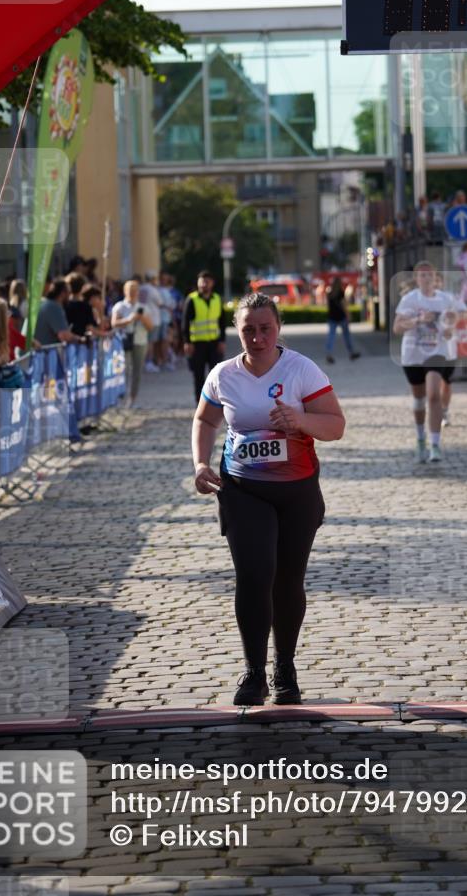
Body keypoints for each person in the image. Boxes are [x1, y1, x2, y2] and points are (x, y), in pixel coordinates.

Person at [192, 292, 345, 706]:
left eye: (265, 329)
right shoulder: (223, 375)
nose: (257, 338)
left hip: (297, 491)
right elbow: (204, 419)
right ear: (237, 331)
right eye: (248, 330)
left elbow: (335, 425)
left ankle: (285, 666)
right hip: (243, 490)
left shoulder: (301, 370)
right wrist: (200, 463)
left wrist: (299, 420)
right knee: (255, 574)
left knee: (287, 580)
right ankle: (254, 672)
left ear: (278, 329)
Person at [393, 262, 466, 463]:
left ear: (435, 278)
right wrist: (418, 320)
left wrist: (450, 326)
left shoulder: (445, 299)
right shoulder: (409, 300)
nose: (426, 279)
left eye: (430, 275)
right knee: (419, 400)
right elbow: (397, 328)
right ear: (417, 279)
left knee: (434, 395)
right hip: (413, 353)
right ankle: (420, 439)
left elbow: (453, 320)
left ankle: (435, 444)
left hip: (437, 351)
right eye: (422, 276)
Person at [182, 270, 226, 404]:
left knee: (216, 375)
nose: (203, 284)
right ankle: (199, 404)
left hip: (214, 343)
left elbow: (222, 322)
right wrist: (187, 342)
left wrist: (222, 340)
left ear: (212, 283)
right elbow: (185, 322)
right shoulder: (192, 299)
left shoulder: (217, 298)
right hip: (197, 344)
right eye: (201, 281)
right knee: (198, 376)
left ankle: (215, 403)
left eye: (206, 281)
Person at [112, 279, 154, 409]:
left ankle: (132, 398)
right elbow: (114, 323)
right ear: (125, 291)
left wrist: (142, 318)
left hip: (140, 341)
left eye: (134, 290)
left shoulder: (143, 307)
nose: (132, 293)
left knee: (137, 372)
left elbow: (150, 327)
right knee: (124, 370)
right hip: (124, 341)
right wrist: (129, 319)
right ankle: (121, 397)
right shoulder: (119, 306)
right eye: (130, 290)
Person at [34, 279, 87, 347]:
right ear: (62, 293)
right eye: (69, 293)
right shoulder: (53, 307)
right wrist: (82, 340)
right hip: (40, 354)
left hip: (34, 353)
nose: (70, 297)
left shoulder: (44, 303)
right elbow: (64, 336)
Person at [325, 277, 361, 364]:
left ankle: (329, 354)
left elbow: (328, 306)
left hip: (332, 317)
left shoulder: (329, 293)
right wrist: (348, 315)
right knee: (347, 336)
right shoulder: (341, 293)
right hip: (341, 317)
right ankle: (351, 353)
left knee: (331, 336)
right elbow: (344, 305)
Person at [139, 271, 163, 372]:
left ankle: (142, 362)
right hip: (153, 319)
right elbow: (160, 303)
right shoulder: (153, 290)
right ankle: (148, 362)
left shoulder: (141, 288)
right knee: (151, 343)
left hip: (142, 317)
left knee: (143, 342)